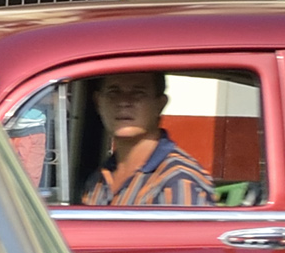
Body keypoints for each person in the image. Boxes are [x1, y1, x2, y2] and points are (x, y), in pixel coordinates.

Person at [81, 71, 220, 209]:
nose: (124, 102)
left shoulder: (178, 181)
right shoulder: (99, 178)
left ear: (160, 104)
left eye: (138, 93)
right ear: (98, 102)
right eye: (113, 93)